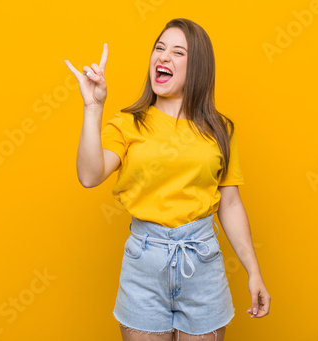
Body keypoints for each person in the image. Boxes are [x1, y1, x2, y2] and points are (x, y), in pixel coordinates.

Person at [65, 18, 270, 341]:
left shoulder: (220, 131)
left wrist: (254, 271)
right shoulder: (128, 124)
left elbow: (230, 204)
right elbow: (89, 176)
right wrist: (93, 108)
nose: (163, 57)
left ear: (198, 67)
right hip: (144, 264)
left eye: (177, 52)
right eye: (159, 49)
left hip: (202, 262)